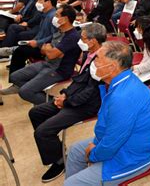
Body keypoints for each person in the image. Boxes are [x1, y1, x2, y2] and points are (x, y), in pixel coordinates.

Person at [63, 41, 150, 185]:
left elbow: (111, 143)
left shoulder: (123, 97)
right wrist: (95, 144)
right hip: (122, 142)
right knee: (75, 150)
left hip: (133, 156)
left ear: (112, 67)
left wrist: (93, 154)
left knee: (70, 184)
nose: (93, 63)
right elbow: (109, 129)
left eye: (97, 59)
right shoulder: (120, 82)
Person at [28, 23, 106, 182]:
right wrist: (64, 94)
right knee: (35, 112)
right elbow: (79, 80)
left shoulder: (102, 59)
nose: (80, 40)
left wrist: (67, 102)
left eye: (83, 38)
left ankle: (59, 162)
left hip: (87, 105)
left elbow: (91, 92)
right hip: (75, 98)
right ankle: (56, 150)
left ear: (92, 41)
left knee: (42, 132)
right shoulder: (88, 53)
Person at [4, 6, 81, 105]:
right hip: (46, 63)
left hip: (58, 70)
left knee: (24, 92)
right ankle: (38, 94)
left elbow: (51, 54)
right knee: (15, 77)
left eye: (57, 15)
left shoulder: (72, 36)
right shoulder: (60, 31)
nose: (54, 17)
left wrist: (49, 50)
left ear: (65, 19)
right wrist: (49, 50)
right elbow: (45, 49)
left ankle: (54, 104)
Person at [0, 0, 57, 87]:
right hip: (39, 43)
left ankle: (16, 84)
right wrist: (33, 41)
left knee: (20, 51)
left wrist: (37, 42)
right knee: (22, 45)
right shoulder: (45, 14)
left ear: (48, 2)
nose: (37, 3)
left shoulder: (53, 17)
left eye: (40, 1)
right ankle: (8, 50)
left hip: (46, 48)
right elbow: (41, 33)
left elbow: (53, 36)